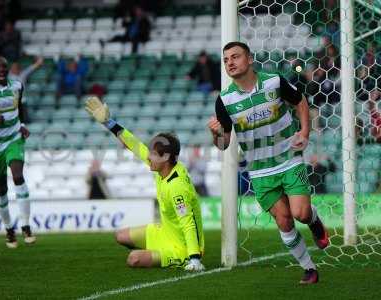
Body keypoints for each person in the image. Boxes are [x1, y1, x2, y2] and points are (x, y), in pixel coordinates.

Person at [207, 42, 329, 284]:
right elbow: (223, 144)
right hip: (260, 170)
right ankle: (309, 268)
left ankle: (314, 221)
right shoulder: (224, 100)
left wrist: (304, 132)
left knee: (301, 214)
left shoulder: (274, 81)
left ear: (249, 59)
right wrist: (215, 134)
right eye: (226, 59)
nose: (230, 62)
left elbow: (300, 101)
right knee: (284, 220)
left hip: (289, 157)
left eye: (235, 57)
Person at [85, 96, 205, 271]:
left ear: (166, 158)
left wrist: (194, 258)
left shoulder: (177, 186)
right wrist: (108, 123)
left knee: (133, 259)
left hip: (182, 246)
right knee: (120, 236)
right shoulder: (164, 167)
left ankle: (182, 258)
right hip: (165, 232)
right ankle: (156, 253)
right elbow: (134, 145)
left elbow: (188, 223)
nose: (148, 157)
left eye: (153, 154)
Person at [0, 56, 35, 248]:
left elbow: (19, 107)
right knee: (1, 188)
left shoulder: (17, 86)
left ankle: (26, 225)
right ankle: (9, 228)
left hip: (13, 139)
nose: (2, 69)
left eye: (5, 66)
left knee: (18, 176)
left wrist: (21, 124)